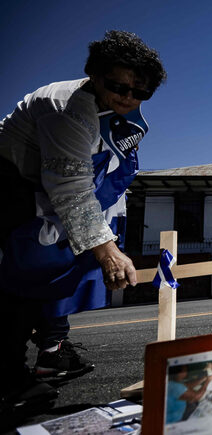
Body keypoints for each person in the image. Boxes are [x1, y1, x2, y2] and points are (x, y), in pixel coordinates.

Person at [0, 30, 166, 411]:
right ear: (94, 74)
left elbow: (100, 177)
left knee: (57, 273)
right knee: (21, 277)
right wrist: (106, 250)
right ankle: (7, 381)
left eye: (139, 92)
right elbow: (71, 187)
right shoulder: (67, 110)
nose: (128, 98)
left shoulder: (120, 115)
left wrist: (108, 231)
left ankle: (51, 350)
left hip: (53, 191)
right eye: (118, 86)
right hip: (14, 185)